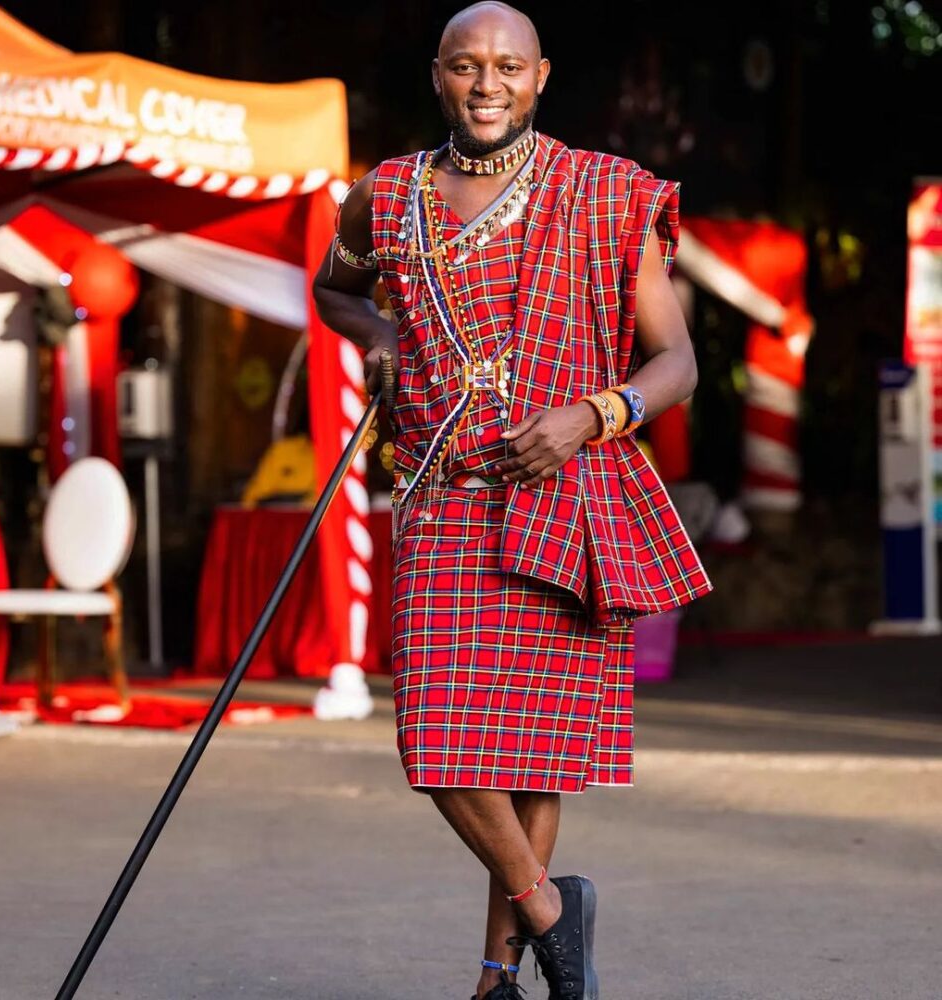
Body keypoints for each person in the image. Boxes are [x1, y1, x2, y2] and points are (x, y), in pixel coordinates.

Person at [312, 4, 712, 997]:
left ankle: (498, 977)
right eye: (463, 66)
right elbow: (334, 288)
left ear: (539, 78)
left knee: (528, 747)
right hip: (443, 497)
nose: (485, 84)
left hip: (563, 494)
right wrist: (384, 340)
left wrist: (591, 414)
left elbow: (677, 363)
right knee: (438, 732)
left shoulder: (603, 192)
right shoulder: (389, 193)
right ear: (437, 76)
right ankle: (546, 905)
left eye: (505, 67)